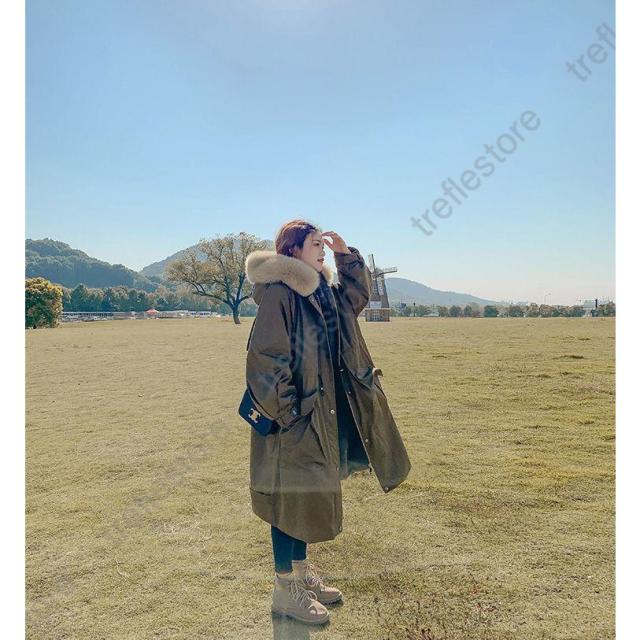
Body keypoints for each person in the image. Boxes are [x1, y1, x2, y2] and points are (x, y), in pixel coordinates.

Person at [244, 220, 411, 625]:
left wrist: (346, 257)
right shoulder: (281, 293)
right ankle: (285, 592)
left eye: (322, 244)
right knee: (287, 501)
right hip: (292, 422)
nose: (321, 250)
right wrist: (290, 415)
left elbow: (355, 299)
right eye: (314, 244)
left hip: (319, 415)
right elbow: (265, 361)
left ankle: (301, 576)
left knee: (305, 495)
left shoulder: (321, 291)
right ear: (292, 251)